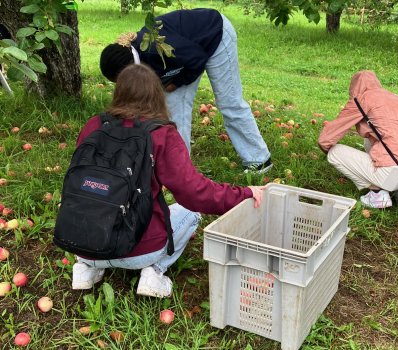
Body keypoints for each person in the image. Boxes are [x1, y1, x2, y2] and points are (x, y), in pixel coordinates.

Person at [72, 63, 265, 297]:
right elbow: (195, 193)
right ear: (157, 94)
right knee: (190, 213)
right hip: (140, 252)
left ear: (118, 92)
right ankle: (154, 271)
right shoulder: (161, 134)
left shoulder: (93, 125)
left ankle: (85, 269)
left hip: (82, 243)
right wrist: (244, 193)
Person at [99, 8, 272, 173]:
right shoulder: (138, 56)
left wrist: (177, 82)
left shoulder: (154, 50)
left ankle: (259, 160)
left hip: (215, 35)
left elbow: (196, 58)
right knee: (174, 107)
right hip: (187, 52)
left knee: (229, 102)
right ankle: (179, 167)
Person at [318, 70, 398, 209]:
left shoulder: (362, 99)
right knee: (372, 139)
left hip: (393, 173)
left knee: (335, 153)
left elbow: (326, 139)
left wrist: (325, 150)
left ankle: (378, 193)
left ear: (354, 88)